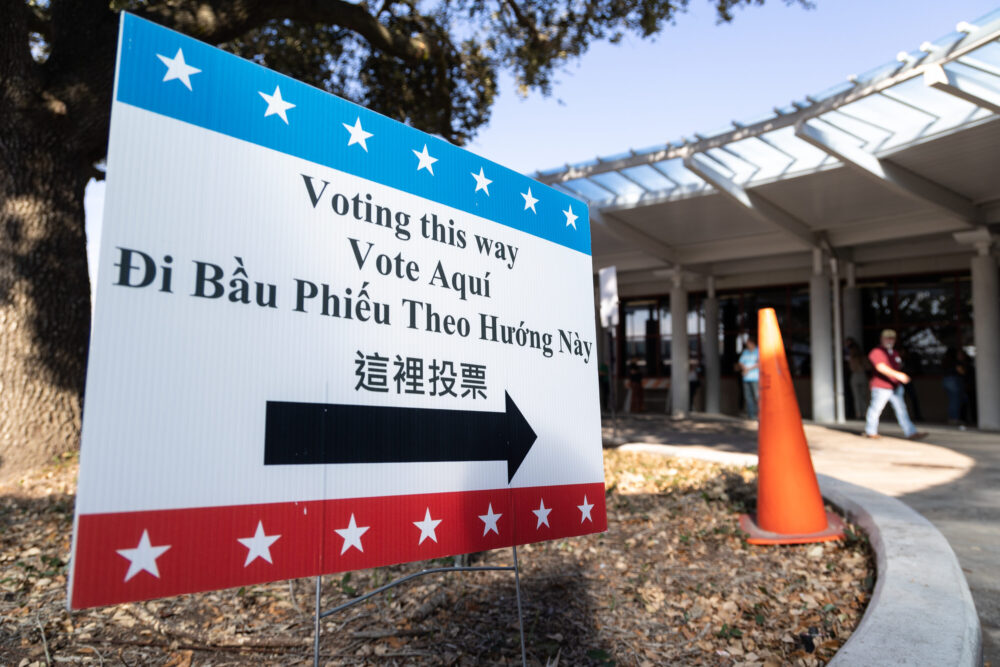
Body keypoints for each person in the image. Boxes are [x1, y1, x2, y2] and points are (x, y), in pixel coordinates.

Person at [863, 329, 926, 440]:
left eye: (892, 338)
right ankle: (870, 432)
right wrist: (898, 375)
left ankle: (911, 432)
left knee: (901, 410)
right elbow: (880, 367)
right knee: (876, 409)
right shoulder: (877, 352)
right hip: (881, 387)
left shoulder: (894, 353)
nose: (890, 340)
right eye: (887, 338)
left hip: (895, 387)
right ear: (881, 339)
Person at [941, 348, 968, 427]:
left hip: (945, 380)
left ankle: (952, 418)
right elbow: (961, 371)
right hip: (954, 381)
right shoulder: (956, 361)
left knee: (952, 400)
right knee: (955, 400)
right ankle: (954, 419)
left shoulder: (946, 361)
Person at [846, 338, 869, 420]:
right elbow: (868, 367)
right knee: (863, 396)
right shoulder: (863, 357)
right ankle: (864, 413)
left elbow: (851, 368)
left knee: (857, 397)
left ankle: (859, 414)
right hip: (863, 375)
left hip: (856, 375)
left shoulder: (851, 358)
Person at [738, 339, 760, 420]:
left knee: (757, 396)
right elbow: (740, 362)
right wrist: (744, 368)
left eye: (748, 343)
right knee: (748, 397)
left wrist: (748, 369)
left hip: (755, 378)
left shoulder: (758, 351)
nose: (747, 345)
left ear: (753, 343)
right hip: (746, 378)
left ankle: (759, 415)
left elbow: (760, 363)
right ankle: (751, 415)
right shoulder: (745, 352)